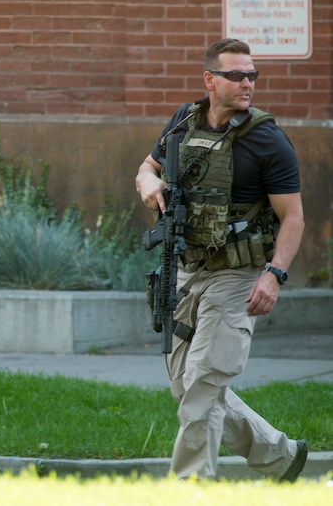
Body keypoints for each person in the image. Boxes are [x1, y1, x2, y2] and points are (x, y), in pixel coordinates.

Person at [135, 39, 306, 480]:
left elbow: (293, 219)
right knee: (185, 386)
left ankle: (191, 486)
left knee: (204, 384)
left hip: (237, 276)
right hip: (188, 271)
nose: (247, 82)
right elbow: (146, 167)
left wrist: (274, 275)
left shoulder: (268, 140)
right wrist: (148, 184)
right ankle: (282, 458)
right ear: (210, 80)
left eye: (252, 75)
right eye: (236, 75)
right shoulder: (184, 121)